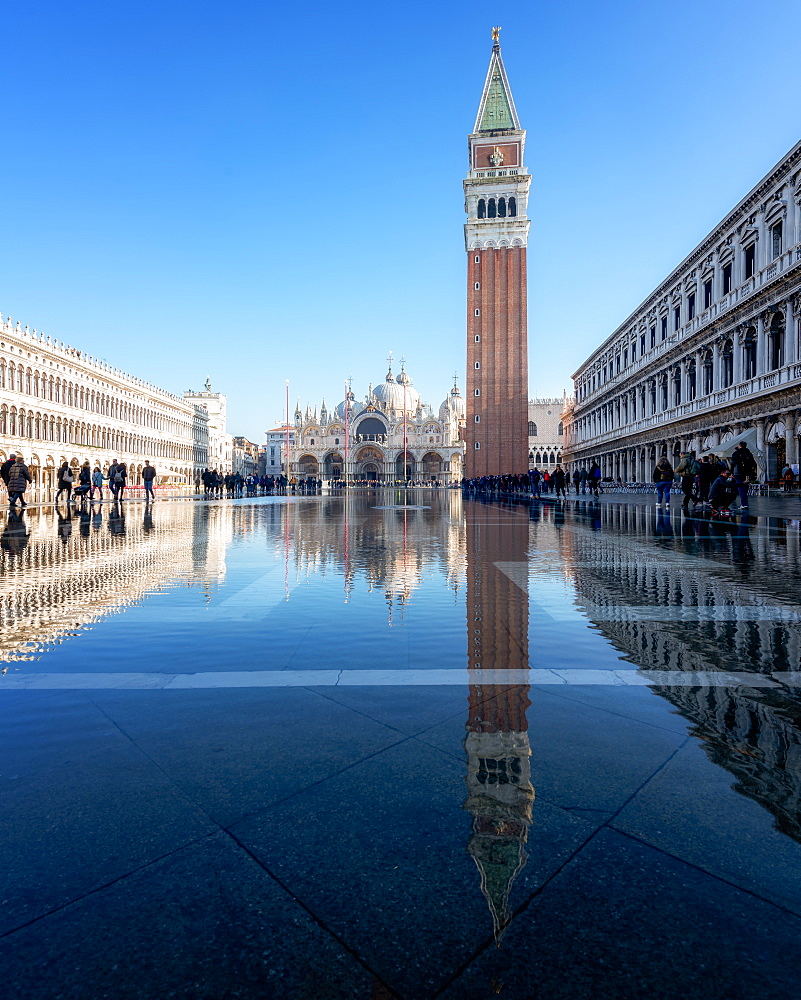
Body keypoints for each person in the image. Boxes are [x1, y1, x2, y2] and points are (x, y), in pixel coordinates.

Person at [730, 442, 758, 510]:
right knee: (745, 487)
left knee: (741, 487)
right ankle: (745, 502)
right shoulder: (749, 453)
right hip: (748, 472)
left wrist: (731, 472)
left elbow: (732, 463)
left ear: (739, 446)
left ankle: (744, 504)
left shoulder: (736, 453)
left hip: (738, 472)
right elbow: (753, 463)